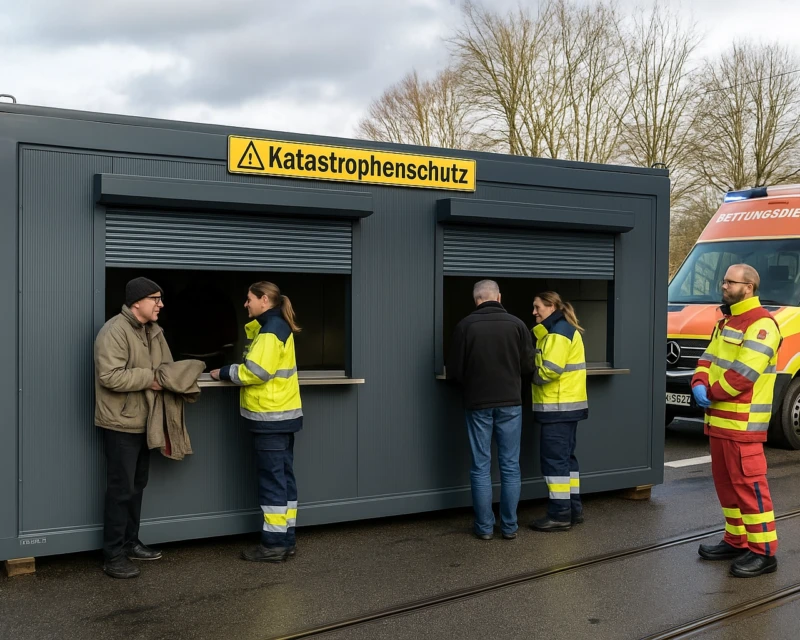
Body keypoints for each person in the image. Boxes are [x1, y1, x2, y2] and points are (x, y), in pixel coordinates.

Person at [692, 264, 781, 578]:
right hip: (719, 423)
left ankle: (763, 552)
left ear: (750, 286)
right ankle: (737, 539)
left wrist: (711, 391)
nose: (723, 286)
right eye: (724, 281)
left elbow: (744, 374)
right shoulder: (725, 321)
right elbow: (707, 358)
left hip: (743, 426)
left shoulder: (763, 325)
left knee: (750, 488)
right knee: (727, 487)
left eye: (730, 282)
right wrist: (698, 382)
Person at [210, 282, 303, 562]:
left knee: (273, 482)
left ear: (264, 300)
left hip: (270, 420)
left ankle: (273, 544)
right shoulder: (275, 326)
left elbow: (257, 372)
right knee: (284, 480)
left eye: (249, 299)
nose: (245, 304)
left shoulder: (271, 330)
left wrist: (224, 372)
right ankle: (286, 539)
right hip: (284, 417)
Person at [447, 279, 534, 541]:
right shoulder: (518, 325)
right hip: (510, 403)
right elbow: (528, 367)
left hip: (478, 403)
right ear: (499, 297)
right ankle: (509, 527)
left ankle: (484, 528)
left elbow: (455, 371)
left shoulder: (465, 326)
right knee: (510, 466)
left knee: (480, 466)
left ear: (476, 300)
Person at [94, 277, 169, 579]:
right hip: (120, 422)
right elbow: (110, 376)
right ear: (137, 302)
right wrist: (149, 379)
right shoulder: (115, 331)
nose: (160, 304)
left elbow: (166, 367)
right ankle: (112, 555)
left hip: (145, 420)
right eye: (155, 298)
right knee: (120, 489)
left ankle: (130, 542)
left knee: (137, 486)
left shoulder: (153, 331)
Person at [529, 291, 588, 532]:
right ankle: (573, 509)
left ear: (551, 306)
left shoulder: (557, 332)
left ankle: (559, 514)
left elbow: (549, 370)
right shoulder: (559, 329)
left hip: (558, 408)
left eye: (537, 307)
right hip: (567, 407)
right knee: (566, 461)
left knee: (554, 463)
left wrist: (527, 373)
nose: (534, 312)